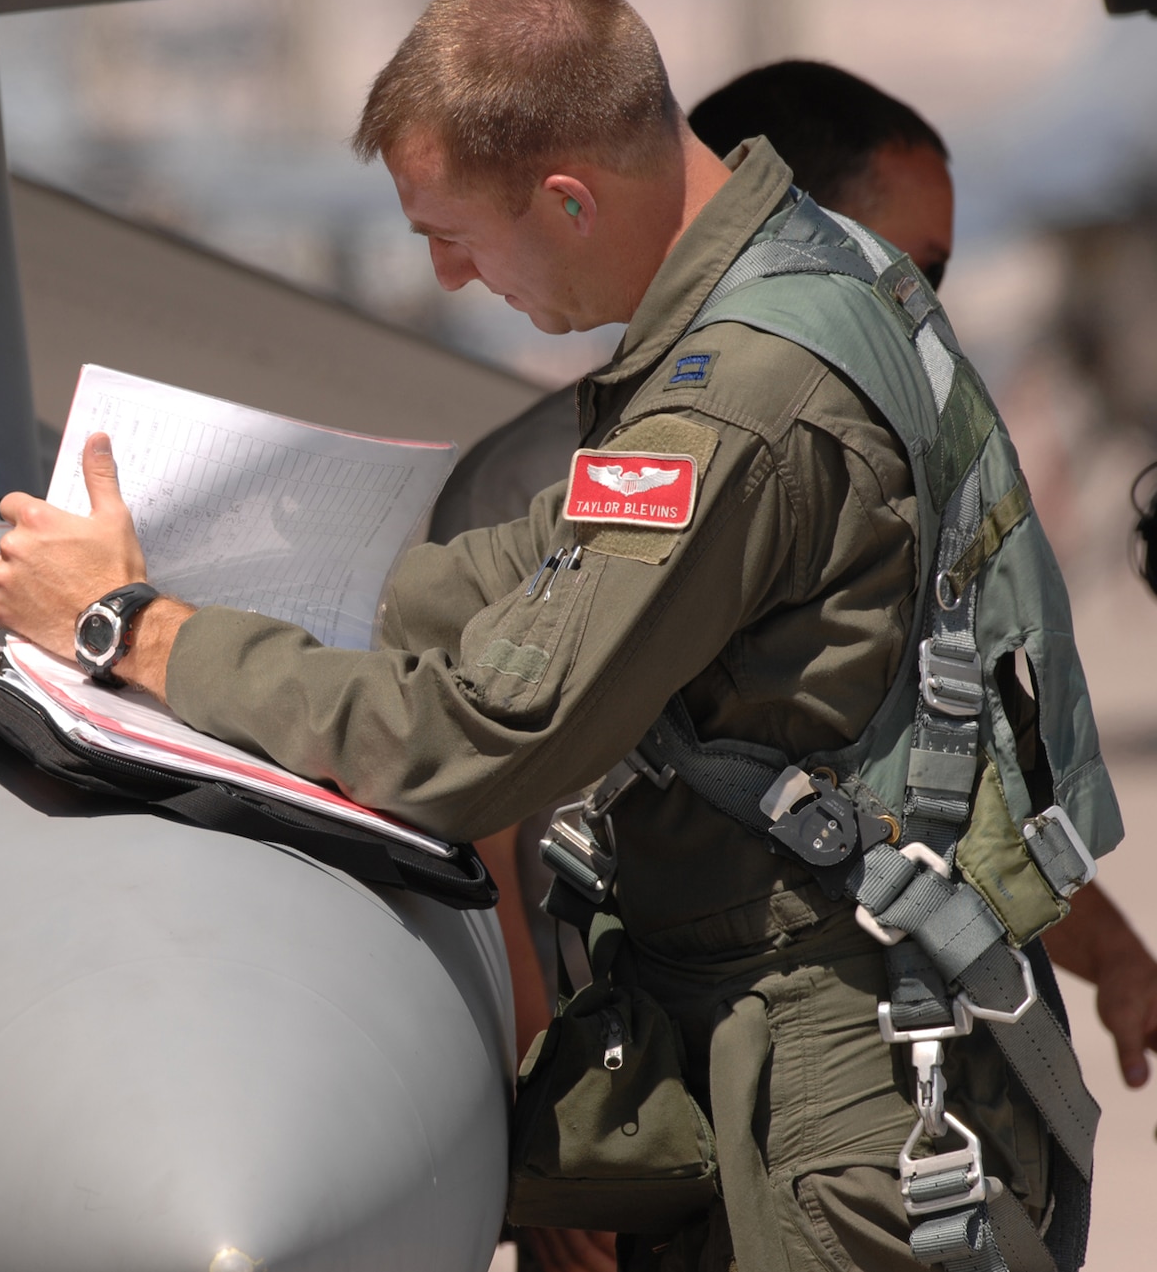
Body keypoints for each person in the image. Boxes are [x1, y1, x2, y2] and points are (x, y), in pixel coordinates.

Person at [0, 0, 1109, 1270]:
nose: (453, 278)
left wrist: (136, 633)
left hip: (827, 1098)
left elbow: (483, 739)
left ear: (569, 199)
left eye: (451, 233)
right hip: (820, 1031)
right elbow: (546, 558)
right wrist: (239, 578)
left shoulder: (738, 395)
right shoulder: (802, 271)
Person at [452, 58, 1157, 1108]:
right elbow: (479, 815)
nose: (926, 312)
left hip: (833, 1073)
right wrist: (542, 1113)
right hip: (652, 1076)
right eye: (906, 268)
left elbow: (917, 781)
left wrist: (1110, 957)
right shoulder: (556, 480)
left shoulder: (869, 472)